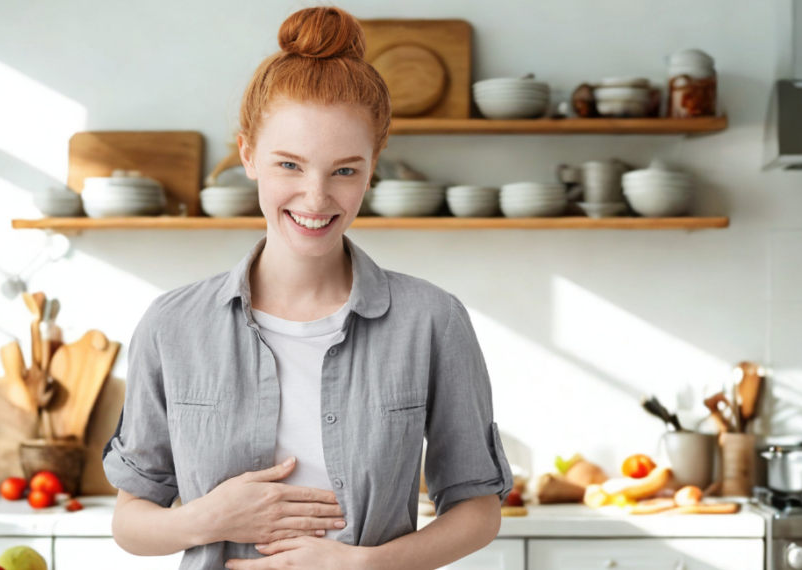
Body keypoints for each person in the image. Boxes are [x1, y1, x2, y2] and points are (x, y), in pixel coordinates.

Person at [102, 6, 512, 569]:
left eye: (344, 170)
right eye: (290, 165)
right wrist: (212, 517)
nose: (316, 199)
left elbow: (478, 510)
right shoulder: (173, 325)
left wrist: (361, 565)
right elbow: (130, 521)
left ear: (372, 168)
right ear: (248, 155)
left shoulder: (431, 320)